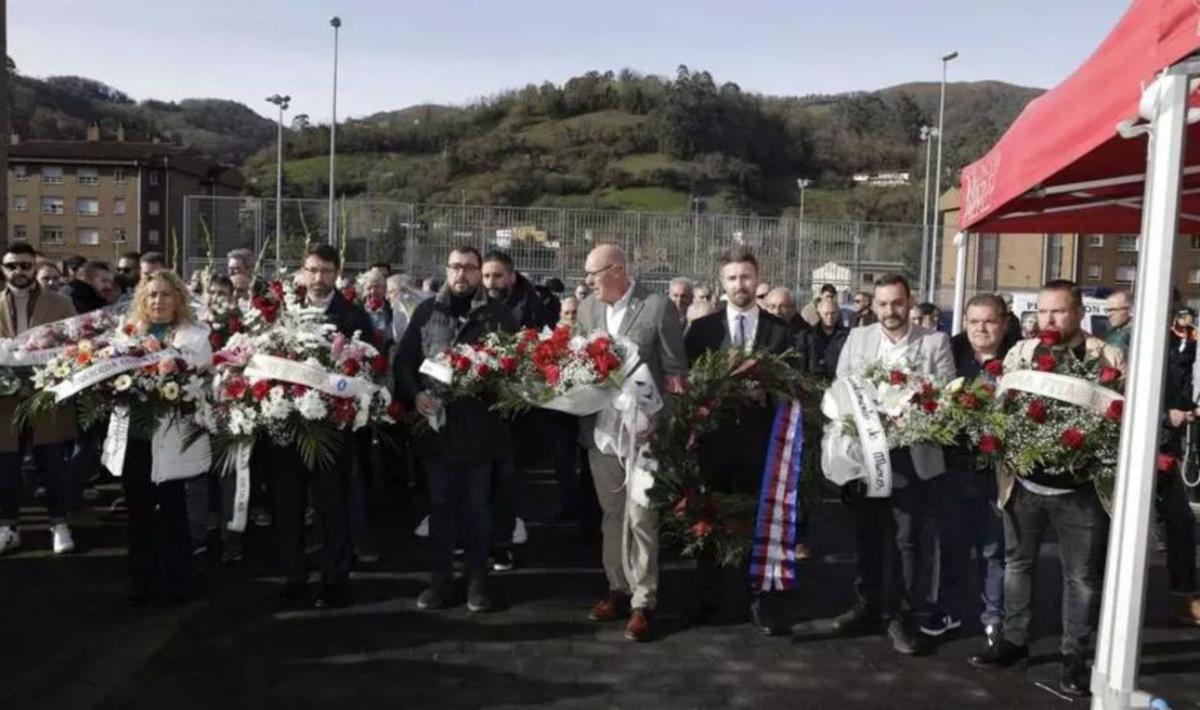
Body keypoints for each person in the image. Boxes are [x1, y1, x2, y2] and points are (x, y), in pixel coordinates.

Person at [968, 280, 1124, 698]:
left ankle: (1075, 657)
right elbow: (1000, 410)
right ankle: (1014, 641)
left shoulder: (1107, 357)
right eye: (1041, 311)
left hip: (1081, 492)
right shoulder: (1021, 353)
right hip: (1023, 486)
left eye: (1058, 312)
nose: (1048, 320)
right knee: (1018, 565)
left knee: (1081, 579)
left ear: (1078, 314)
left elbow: (1118, 424)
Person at [833, 274, 955, 656]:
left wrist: (911, 418)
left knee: (906, 541)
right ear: (875, 305)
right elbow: (841, 389)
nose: (890, 311)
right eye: (883, 304)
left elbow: (946, 399)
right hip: (865, 457)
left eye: (897, 303)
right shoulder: (858, 338)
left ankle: (901, 617)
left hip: (912, 457)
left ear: (910, 302)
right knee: (867, 536)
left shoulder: (935, 343)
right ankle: (867, 605)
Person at [395, 246, 517, 613]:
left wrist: (492, 388)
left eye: (469, 268)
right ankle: (440, 581)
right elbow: (404, 363)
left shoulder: (499, 316)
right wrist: (416, 397)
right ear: (446, 270)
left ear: (480, 272)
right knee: (441, 507)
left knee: (479, 509)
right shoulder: (427, 311)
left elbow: (515, 370)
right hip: (438, 431)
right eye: (455, 267)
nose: (461, 274)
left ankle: (478, 583)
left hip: (482, 432)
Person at [577, 244, 687, 642]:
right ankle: (617, 589)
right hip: (601, 432)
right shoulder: (588, 309)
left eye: (594, 273)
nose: (588, 281)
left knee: (641, 517)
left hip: (644, 434)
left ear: (618, 270)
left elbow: (676, 374)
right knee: (612, 514)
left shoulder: (657, 307)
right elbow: (577, 364)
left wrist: (660, 417)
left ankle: (644, 600)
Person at [683, 247, 794, 636]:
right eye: (731, 278)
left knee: (758, 522)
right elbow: (689, 387)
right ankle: (707, 597)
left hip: (761, 443)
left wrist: (769, 393)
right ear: (721, 283)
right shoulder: (702, 330)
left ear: (757, 277)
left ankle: (759, 600)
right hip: (713, 443)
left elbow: (793, 386)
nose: (739, 285)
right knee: (708, 518)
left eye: (746, 277)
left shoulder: (780, 330)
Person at [272, 244, 374, 610]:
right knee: (288, 507)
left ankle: (334, 577)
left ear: (337, 273)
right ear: (302, 271)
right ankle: (294, 574)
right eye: (312, 270)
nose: (318, 278)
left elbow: (368, 371)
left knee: (333, 508)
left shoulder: (354, 317)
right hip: (287, 428)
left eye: (326, 271)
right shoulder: (282, 312)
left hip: (332, 433)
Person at [118, 270, 213, 605]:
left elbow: (197, 383)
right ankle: (139, 579)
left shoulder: (195, 337)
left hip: (172, 439)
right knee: (138, 511)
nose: (158, 301)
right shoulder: (127, 334)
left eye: (166, 295)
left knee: (174, 511)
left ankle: (177, 581)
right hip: (135, 437)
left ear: (179, 299)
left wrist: (170, 364)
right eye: (152, 295)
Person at [931, 294, 1011, 646]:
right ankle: (947, 609)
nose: (981, 328)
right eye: (974, 320)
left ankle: (995, 617)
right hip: (955, 467)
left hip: (998, 471)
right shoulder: (951, 352)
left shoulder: (1019, 359)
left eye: (989, 321)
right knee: (952, 545)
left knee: (994, 549)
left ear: (1003, 323)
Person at [0, 244, 79, 556]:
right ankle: (7, 527)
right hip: (5, 402)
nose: (19, 271)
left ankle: (59, 525)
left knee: (53, 467)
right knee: (6, 468)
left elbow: (76, 342)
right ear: (3, 270)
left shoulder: (60, 302)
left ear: (34, 267)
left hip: (48, 397)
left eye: (25, 265)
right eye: (11, 266)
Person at [481, 251, 554, 570]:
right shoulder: (476, 304)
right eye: (486, 276)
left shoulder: (533, 308)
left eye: (497, 276)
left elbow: (545, 351)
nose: (491, 283)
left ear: (511, 276)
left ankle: (502, 542)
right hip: (479, 408)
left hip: (516, 412)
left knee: (506, 481)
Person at [803, 297, 849, 377]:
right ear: (819, 314)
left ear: (838, 313)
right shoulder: (809, 336)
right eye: (826, 313)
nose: (830, 317)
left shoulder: (847, 336)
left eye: (833, 313)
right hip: (815, 382)